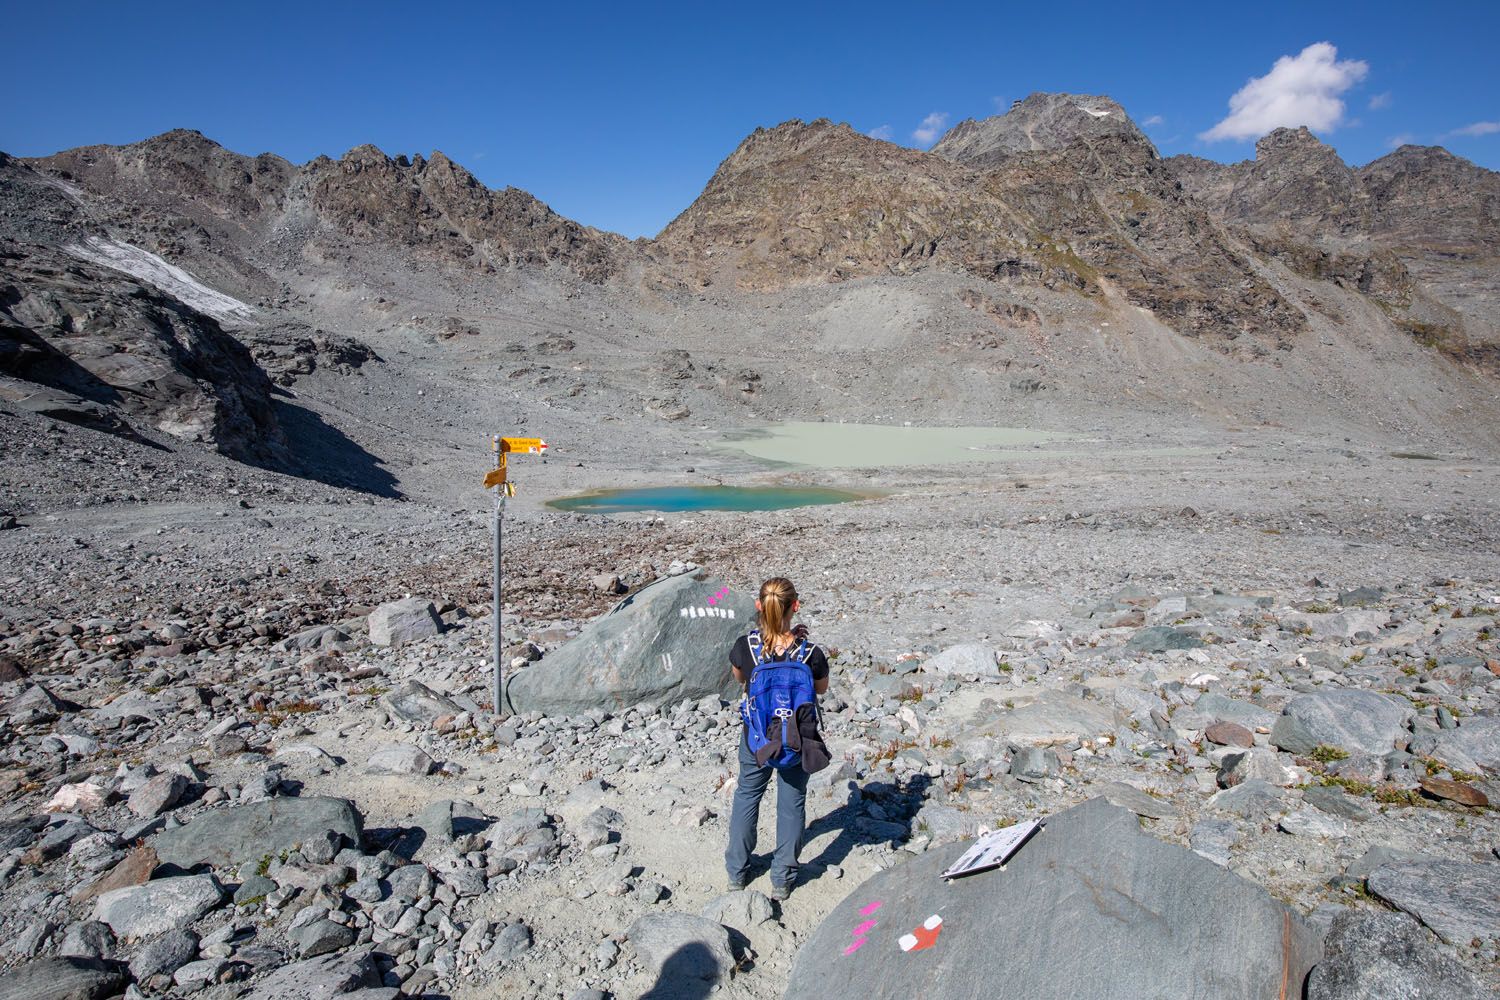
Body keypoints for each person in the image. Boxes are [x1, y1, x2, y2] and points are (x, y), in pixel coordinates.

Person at [724, 576, 830, 901]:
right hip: (797, 737)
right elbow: (821, 688)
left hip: (757, 737)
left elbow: (739, 677)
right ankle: (782, 878)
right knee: (792, 804)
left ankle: (737, 873)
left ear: (759, 606)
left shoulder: (746, 646)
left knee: (747, 796)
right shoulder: (810, 652)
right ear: (795, 607)